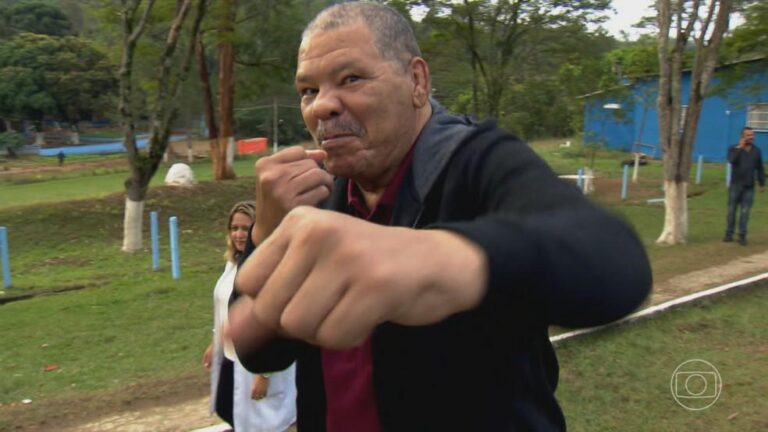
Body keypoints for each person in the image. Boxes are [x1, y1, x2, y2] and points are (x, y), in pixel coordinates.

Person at [226, 3, 652, 431]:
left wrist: (438, 258)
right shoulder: (318, 196)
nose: (321, 107)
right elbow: (263, 355)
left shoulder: (476, 160)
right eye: (307, 90)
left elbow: (612, 262)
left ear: (416, 80)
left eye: (350, 79)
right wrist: (267, 231)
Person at [202, 200, 296, 431]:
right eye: (234, 228)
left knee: (263, 420)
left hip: (258, 360)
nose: (239, 234)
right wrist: (215, 342)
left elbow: (275, 321)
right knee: (226, 405)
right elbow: (226, 304)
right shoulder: (233, 263)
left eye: (246, 228)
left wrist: (265, 374)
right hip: (231, 356)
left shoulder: (266, 267)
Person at [724, 126, 765, 245]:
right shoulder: (733, 149)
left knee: (745, 211)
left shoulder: (756, 151)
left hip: (749, 186)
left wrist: (762, 183)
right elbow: (731, 161)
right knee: (731, 211)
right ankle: (729, 234)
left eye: (752, 135)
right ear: (742, 137)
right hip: (735, 185)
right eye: (748, 135)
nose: (751, 137)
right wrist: (739, 148)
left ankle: (742, 235)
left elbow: (760, 168)